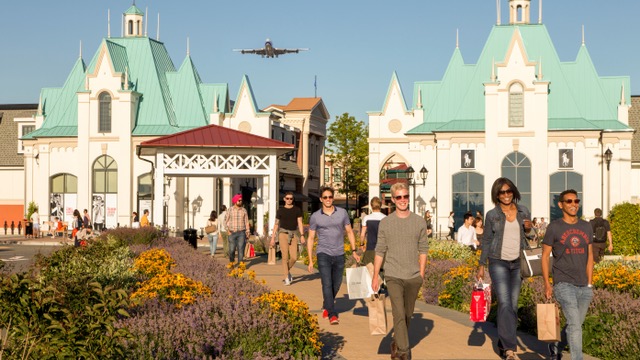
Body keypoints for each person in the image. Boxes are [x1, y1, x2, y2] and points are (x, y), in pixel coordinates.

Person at [372, 183, 428, 360]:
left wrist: (421, 273)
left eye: (405, 196)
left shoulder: (419, 221)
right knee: (398, 312)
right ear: (393, 200)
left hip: (413, 276)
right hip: (393, 274)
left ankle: (397, 339)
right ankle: (404, 351)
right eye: (399, 197)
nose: (403, 200)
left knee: (407, 314)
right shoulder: (386, 223)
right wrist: (375, 276)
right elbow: (380, 250)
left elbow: (424, 249)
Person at [477, 177, 532, 360]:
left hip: (518, 262)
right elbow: (485, 241)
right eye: (502, 192)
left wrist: (530, 228)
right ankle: (510, 349)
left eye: (509, 191)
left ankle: (503, 341)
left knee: (513, 305)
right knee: (505, 302)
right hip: (497, 261)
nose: (506, 195)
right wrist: (481, 265)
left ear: (514, 192)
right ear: (497, 195)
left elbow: (531, 236)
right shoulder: (492, 214)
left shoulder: (523, 211)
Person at [542, 189, 594, 360]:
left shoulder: (586, 226)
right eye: (569, 201)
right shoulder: (555, 227)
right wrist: (547, 284)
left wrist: (590, 284)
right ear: (561, 205)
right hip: (563, 283)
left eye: (576, 201)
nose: (574, 204)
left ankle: (556, 345)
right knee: (575, 325)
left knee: (576, 324)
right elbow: (544, 257)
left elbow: (590, 256)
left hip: (583, 284)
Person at [307, 186, 360, 325]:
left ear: (333, 198)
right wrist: (310, 260)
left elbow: (349, 232)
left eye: (330, 197)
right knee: (326, 283)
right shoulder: (315, 217)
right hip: (323, 253)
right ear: (321, 199)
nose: (328, 199)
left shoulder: (342, 213)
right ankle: (332, 313)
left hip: (339, 253)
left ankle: (327, 304)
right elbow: (311, 238)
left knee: (336, 284)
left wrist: (354, 251)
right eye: (325, 197)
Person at [270, 192, 306, 285]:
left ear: (293, 200)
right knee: (285, 257)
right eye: (287, 198)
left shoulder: (297, 210)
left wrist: (302, 235)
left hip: (293, 234)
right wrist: (273, 238)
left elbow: (300, 223)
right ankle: (286, 278)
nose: (289, 200)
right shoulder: (280, 211)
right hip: (283, 234)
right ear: (284, 199)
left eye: (291, 198)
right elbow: (276, 224)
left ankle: (287, 271)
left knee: (294, 257)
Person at [360, 196, 386, 265]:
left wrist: (362, 244)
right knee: (382, 271)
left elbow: (362, 235)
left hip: (370, 248)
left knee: (369, 271)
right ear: (380, 205)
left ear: (371, 206)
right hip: (382, 249)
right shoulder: (385, 218)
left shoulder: (367, 218)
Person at [226, 194, 250, 265]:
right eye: (239, 200)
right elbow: (225, 221)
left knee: (241, 249)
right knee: (231, 250)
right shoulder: (230, 210)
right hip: (232, 232)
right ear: (235, 201)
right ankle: (232, 262)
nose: (241, 201)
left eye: (241, 200)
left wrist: (248, 231)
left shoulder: (244, 210)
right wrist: (228, 230)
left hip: (241, 233)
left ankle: (240, 264)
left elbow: (246, 221)